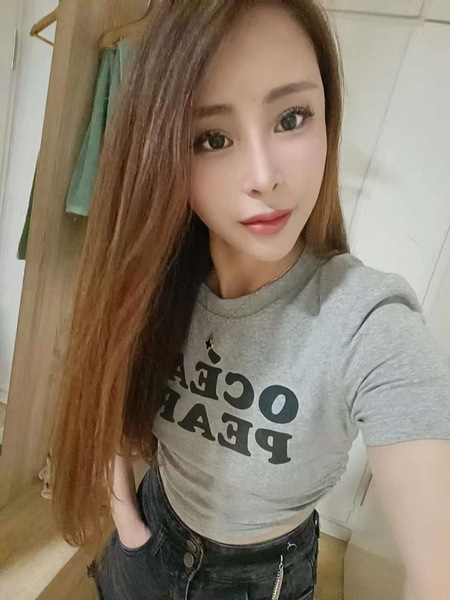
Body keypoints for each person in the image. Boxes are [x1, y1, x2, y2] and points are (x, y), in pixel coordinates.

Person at [50, 1, 450, 599]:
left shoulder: (366, 322)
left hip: (266, 577)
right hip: (147, 544)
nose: (263, 176)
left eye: (291, 117)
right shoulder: (155, 283)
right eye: (213, 138)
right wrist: (128, 524)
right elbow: (106, 399)